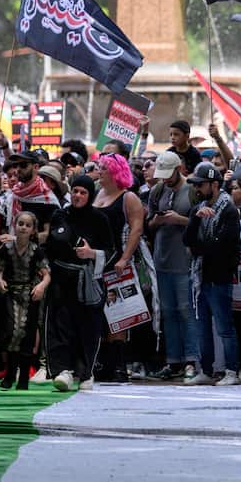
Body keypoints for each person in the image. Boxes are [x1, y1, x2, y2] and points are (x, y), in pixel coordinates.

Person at [45, 175, 117, 392]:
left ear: (90, 195)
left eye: (83, 192)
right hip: (61, 280)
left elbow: (112, 252)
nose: (77, 196)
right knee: (60, 326)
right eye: (75, 191)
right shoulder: (60, 214)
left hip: (88, 282)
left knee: (89, 328)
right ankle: (63, 371)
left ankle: (87, 373)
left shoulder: (100, 219)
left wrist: (91, 253)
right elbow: (51, 244)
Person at [93, 153, 156, 382]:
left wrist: (125, 258)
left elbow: (137, 230)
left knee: (119, 312)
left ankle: (119, 366)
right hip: (97, 260)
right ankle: (103, 364)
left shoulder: (129, 197)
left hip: (119, 260)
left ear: (114, 172)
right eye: (98, 168)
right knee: (100, 312)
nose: (99, 172)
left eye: (103, 169)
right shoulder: (97, 193)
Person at [184, 161, 241, 385]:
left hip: (219, 277)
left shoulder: (228, 210)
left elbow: (221, 246)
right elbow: (187, 240)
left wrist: (200, 247)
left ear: (215, 184)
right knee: (202, 328)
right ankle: (206, 370)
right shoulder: (198, 208)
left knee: (224, 327)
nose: (197, 189)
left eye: (201, 184)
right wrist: (196, 219)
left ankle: (231, 371)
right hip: (200, 277)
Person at [146, 150, 199, 381]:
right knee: (168, 312)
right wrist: (157, 221)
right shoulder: (158, 191)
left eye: (169, 174)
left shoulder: (192, 191)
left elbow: (202, 223)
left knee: (186, 311)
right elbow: (148, 224)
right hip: (162, 259)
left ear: (179, 169)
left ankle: (191, 360)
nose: (166, 179)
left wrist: (180, 220)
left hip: (184, 261)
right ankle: (173, 360)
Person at [0, 212, 50, 389]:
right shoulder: (7, 248)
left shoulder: (36, 250)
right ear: (15, 225)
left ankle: (23, 377)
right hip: (11, 293)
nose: (23, 227)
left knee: (28, 334)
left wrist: (41, 286)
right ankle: (10, 374)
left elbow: (47, 274)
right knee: (12, 331)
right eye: (20, 224)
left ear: (33, 230)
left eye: (27, 225)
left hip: (30, 295)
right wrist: (0, 280)